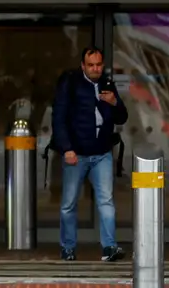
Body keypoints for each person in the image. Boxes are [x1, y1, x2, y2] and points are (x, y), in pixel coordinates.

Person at [52, 46, 128, 262]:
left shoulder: (107, 83)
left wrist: (115, 103)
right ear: (83, 65)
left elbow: (122, 117)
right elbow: (59, 118)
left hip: (102, 152)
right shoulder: (71, 83)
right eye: (91, 65)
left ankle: (109, 247)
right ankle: (67, 248)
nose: (95, 69)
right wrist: (67, 148)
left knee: (106, 201)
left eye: (98, 65)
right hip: (76, 153)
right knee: (69, 203)